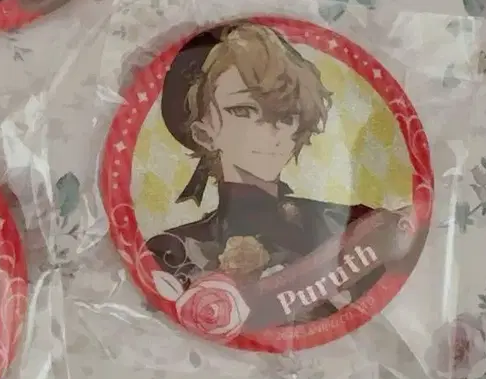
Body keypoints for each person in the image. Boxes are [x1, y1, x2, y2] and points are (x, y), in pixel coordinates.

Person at [145, 23, 409, 324]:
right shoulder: (173, 251)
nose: (270, 132)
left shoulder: (353, 224)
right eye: (243, 110)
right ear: (204, 134)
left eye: (285, 114)